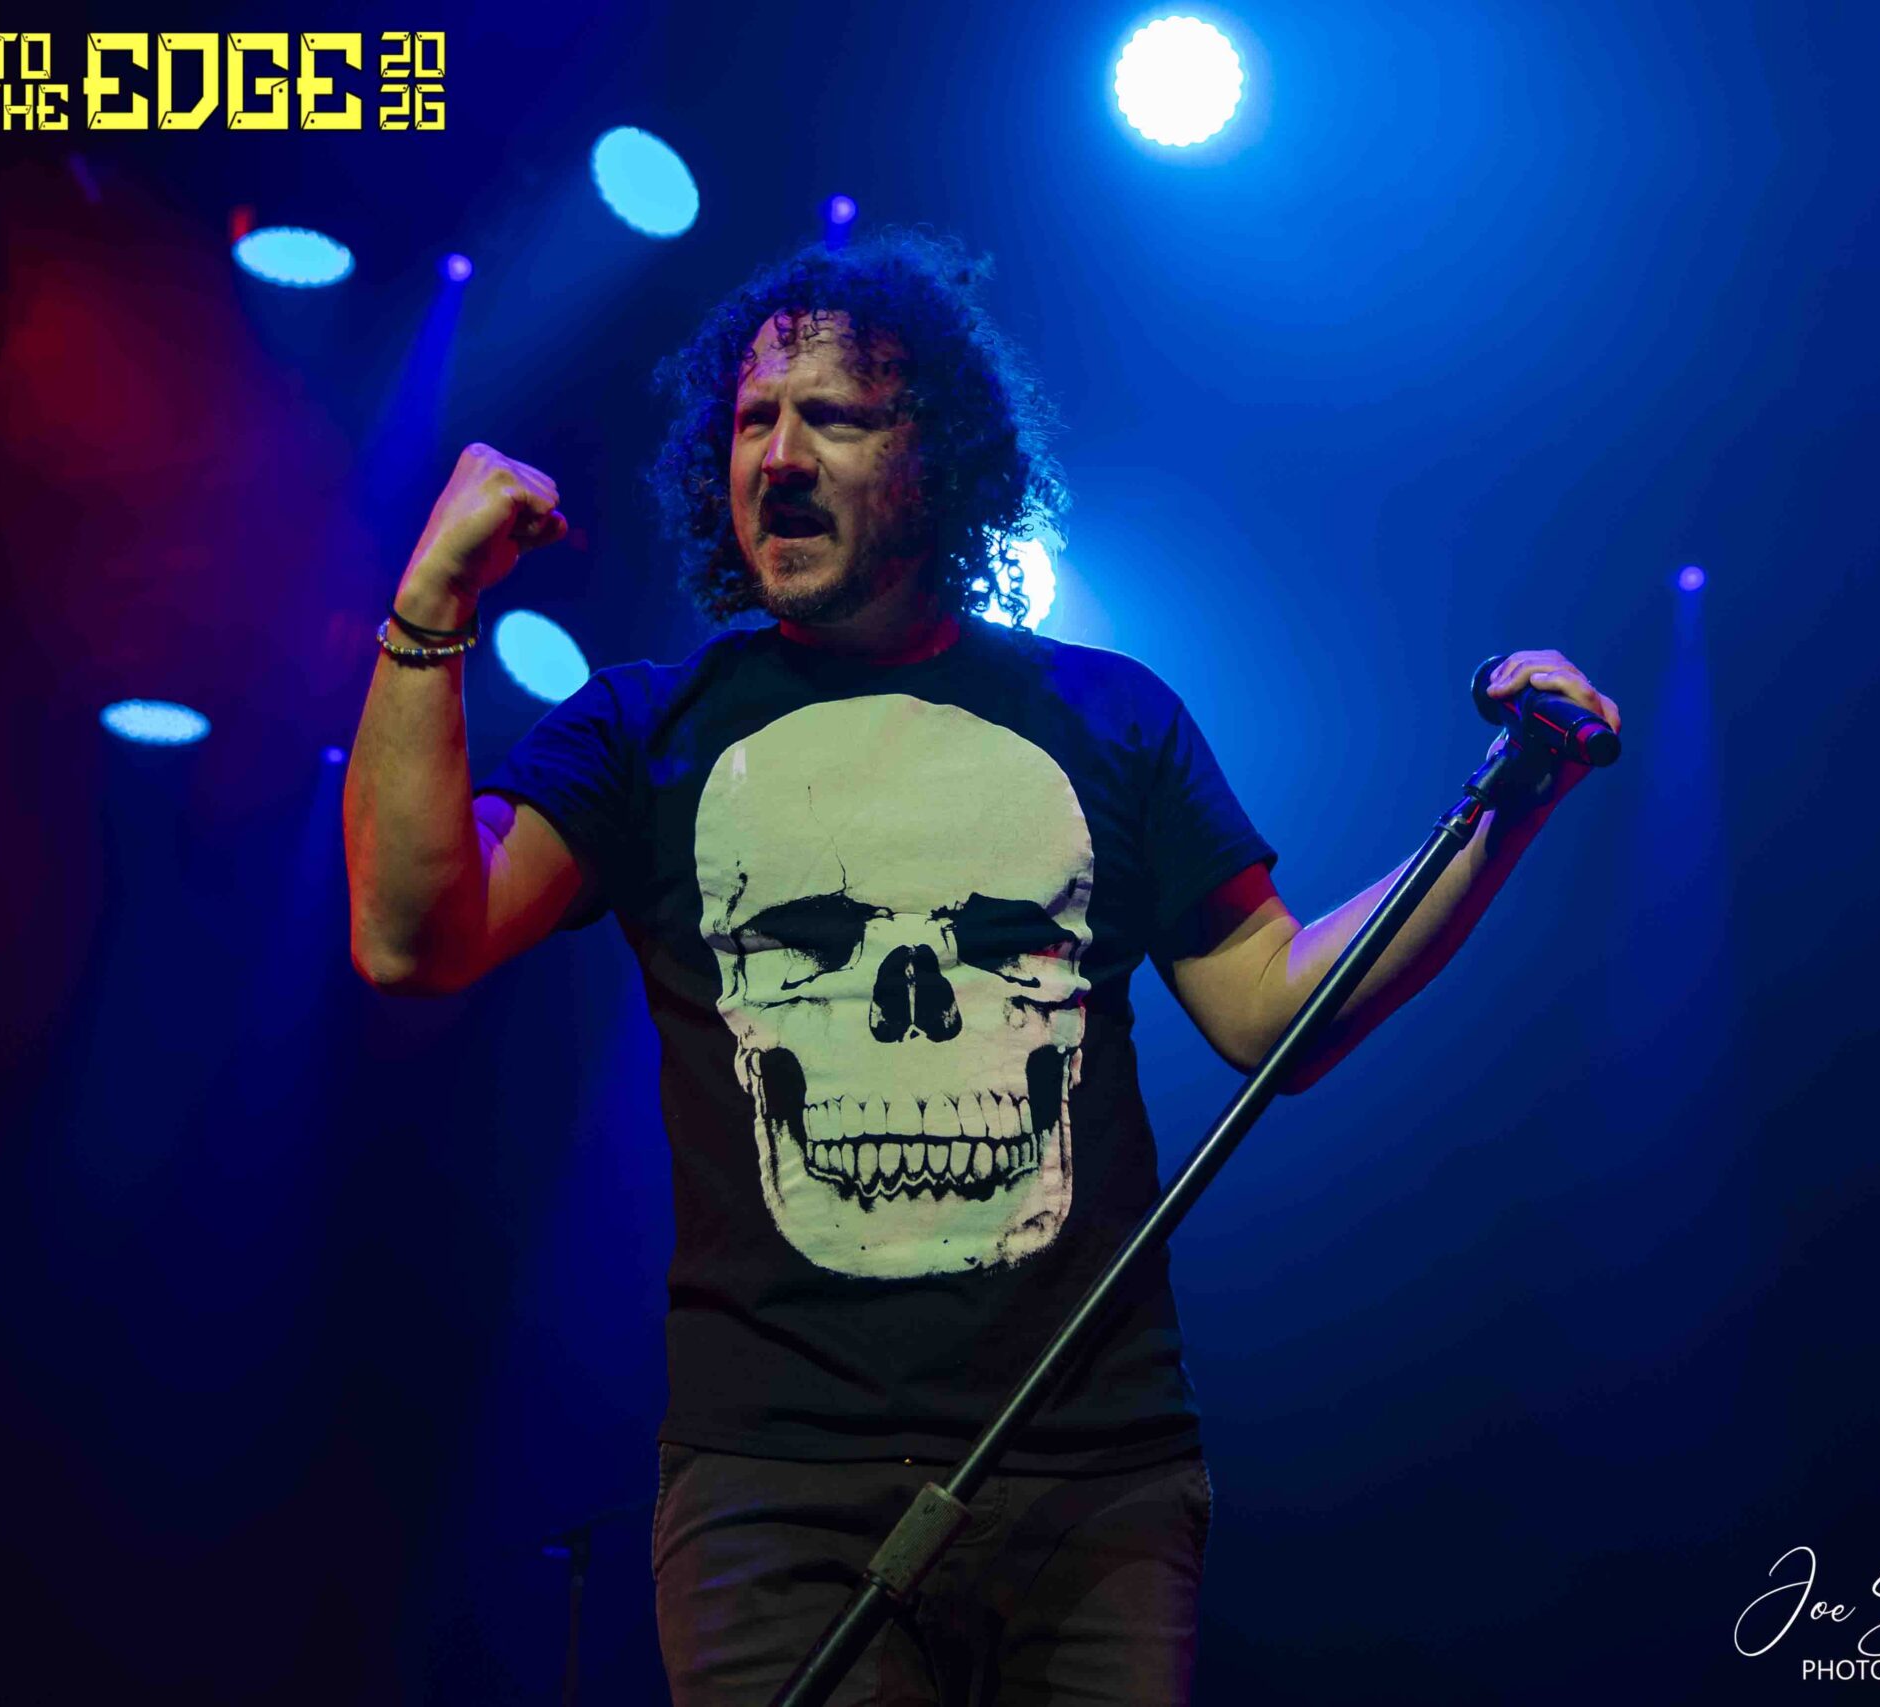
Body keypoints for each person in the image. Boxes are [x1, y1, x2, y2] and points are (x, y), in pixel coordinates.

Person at [342, 230, 1619, 1706]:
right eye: (753, 421)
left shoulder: (1109, 718)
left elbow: (1276, 1006)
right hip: (774, 1493)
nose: (779, 457)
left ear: (935, 455)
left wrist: (1510, 805)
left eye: (834, 417)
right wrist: (433, 600)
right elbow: (411, 937)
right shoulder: (648, 730)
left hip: (1094, 1479)